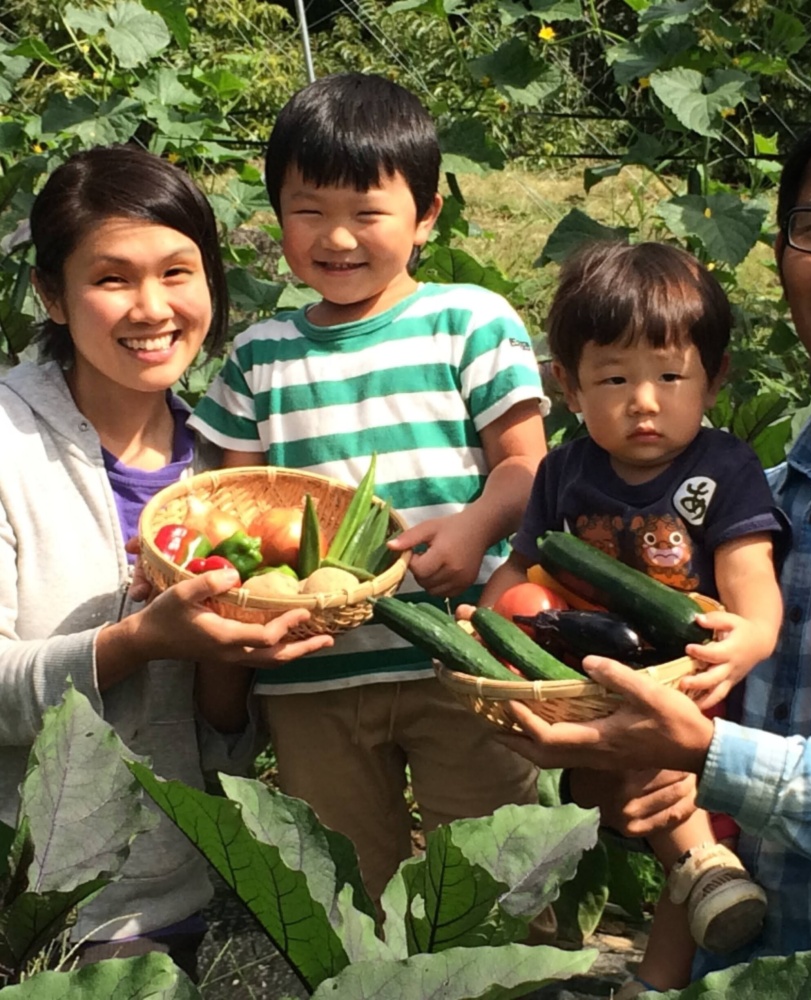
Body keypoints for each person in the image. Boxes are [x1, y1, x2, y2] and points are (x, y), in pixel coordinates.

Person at [498, 95, 811, 999]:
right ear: (783, 257)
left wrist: (710, 758)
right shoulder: (751, 499)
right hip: (723, 967)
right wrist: (607, 760)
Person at [188, 72, 549, 903]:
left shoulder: (471, 320)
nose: (338, 238)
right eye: (308, 211)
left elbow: (526, 466)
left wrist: (472, 527)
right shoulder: (260, 355)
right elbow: (226, 500)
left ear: (425, 218)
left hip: (457, 656)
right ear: (277, 214)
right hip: (313, 676)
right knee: (347, 887)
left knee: (497, 874)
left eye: (367, 213)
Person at [0, 144, 333, 980]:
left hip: (176, 897)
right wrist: (140, 640)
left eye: (178, 272)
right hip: (26, 900)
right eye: (112, 278)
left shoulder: (228, 469)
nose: (152, 307)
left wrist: (225, 660)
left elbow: (218, 748)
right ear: (50, 293)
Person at [475, 240, 786, 992]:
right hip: (586, 673)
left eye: (670, 376)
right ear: (570, 389)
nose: (643, 401)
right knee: (648, 816)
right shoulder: (563, 470)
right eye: (613, 378)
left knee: (669, 804)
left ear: (713, 381)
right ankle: (692, 890)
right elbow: (521, 574)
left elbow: (753, 584)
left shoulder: (725, 469)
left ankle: (665, 964)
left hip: (685, 686)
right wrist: (488, 622)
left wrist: (750, 641)